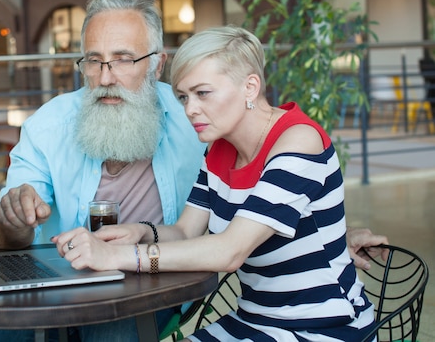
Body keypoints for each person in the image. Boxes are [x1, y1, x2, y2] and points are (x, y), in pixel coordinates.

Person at [51, 25, 378, 341]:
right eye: (183, 97)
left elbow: (230, 251)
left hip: (323, 326)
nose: (190, 109)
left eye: (203, 93)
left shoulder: (299, 141)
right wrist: (140, 231)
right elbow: (184, 232)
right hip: (254, 321)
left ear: (250, 88)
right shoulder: (219, 150)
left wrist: (116, 257)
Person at [0, 0, 205, 342]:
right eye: (94, 61)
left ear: (158, 65)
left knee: (109, 329)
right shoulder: (49, 125)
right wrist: (13, 218)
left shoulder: (195, 121)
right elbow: (5, 241)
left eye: (123, 60)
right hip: (58, 283)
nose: (105, 77)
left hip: (153, 283)